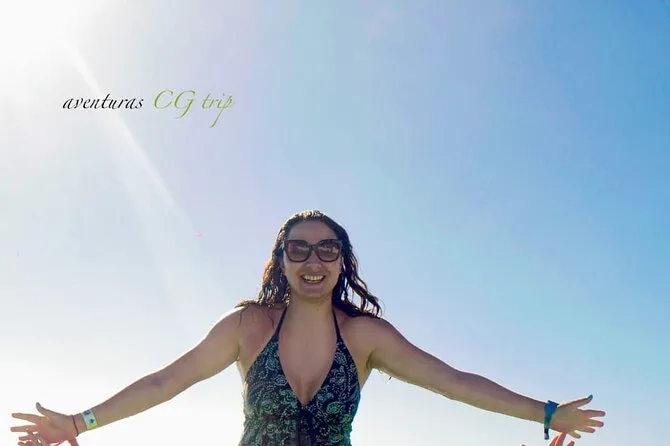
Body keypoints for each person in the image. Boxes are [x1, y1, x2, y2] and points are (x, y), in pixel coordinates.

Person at [10, 210, 606, 445]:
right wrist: (79, 423)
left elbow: (455, 382)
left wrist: (546, 412)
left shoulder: (365, 338)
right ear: (282, 260)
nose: (313, 261)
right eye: (299, 249)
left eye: (327, 249)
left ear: (342, 262)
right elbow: (166, 382)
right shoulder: (248, 328)